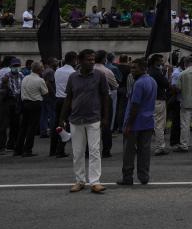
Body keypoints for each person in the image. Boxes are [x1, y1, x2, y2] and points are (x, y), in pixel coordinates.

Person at [60, 49, 110, 193]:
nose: (92, 62)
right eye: (89, 60)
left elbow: (105, 97)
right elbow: (68, 98)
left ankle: (95, 181)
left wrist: (106, 117)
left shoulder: (100, 75)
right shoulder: (73, 77)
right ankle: (80, 180)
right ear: (80, 61)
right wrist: (61, 118)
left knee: (94, 151)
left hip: (93, 118)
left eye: (93, 59)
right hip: (75, 119)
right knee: (78, 152)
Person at [117, 58, 156, 186]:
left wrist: (128, 124)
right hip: (148, 121)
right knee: (144, 151)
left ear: (143, 68)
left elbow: (135, 105)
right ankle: (144, 176)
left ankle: (128, 177)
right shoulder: (152, 81)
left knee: (129, 152)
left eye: (135, 68)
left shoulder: (139, 83)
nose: (132, 70)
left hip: (135, 122)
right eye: (131, 67)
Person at [15, 61, 48, 157]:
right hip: (35, 104)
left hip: (25, 103)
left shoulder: (25, 78)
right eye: (42, 67)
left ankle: (18, 149)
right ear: (38, 69)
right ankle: (27, 149)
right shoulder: (40, 80)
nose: (43, 69)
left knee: (23, 127)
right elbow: (45, 93)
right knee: (32, 127)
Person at [0, 58, 22, 154]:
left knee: (15, 125)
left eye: (17, 66)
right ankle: (1, 146)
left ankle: (11, 144)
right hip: (6, 102)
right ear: (10, 67)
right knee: (3, 125)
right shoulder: (6, 76)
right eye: (14, 66)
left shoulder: (21, 75)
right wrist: (4, 83)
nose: (16, 67)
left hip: (16, 102)